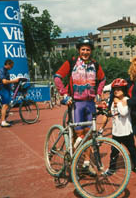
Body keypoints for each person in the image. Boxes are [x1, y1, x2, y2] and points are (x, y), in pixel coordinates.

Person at [54, 37, 106, 175]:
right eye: (83, 49)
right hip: (76, 103)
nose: (85, 52)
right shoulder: (71, 62)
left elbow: (103, 79)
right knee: (78, 134)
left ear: (91, 51)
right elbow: (57, 77)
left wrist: (99, 93)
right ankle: (73, 160)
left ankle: (86, 163)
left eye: (88, 49)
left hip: (90, 104)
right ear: (79, 50)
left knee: (89, 135)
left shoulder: (95, 65)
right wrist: (64, 94)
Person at [104, 78, 136, 177]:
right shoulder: (113, 100)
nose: (116, 91)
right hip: (116, 132)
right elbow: (111, 113)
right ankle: (111, 168)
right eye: (115, 89)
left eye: (119, 89)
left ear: (124, 90)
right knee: (114, 152)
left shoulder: (126, 100)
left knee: (132, 151)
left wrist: (118, 103)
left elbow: (123, 113)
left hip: (126, 132)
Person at [0, 59, 20, 127]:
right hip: (3, 89)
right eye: (11, 66)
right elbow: (4, 81)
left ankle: (4, 119)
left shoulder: (6, 71)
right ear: (8, 64)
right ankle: (3, 122)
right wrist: (14, 81)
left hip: (6, 89)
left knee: (7, 105)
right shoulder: (2, 70)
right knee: (5, 105)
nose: (11, 68)